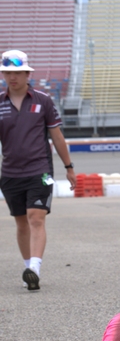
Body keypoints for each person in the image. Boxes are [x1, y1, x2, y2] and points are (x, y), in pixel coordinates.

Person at [0, 50, 77, 290]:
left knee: (36, 217)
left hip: (40, 170)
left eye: (17, 73)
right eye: (7, 73)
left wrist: (69, 167)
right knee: (21, 222)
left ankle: (34, 268)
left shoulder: (43, 100)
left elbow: (57, 136)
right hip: (10, 173)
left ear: (27, 74)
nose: (12, 77)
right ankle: (28, 271)